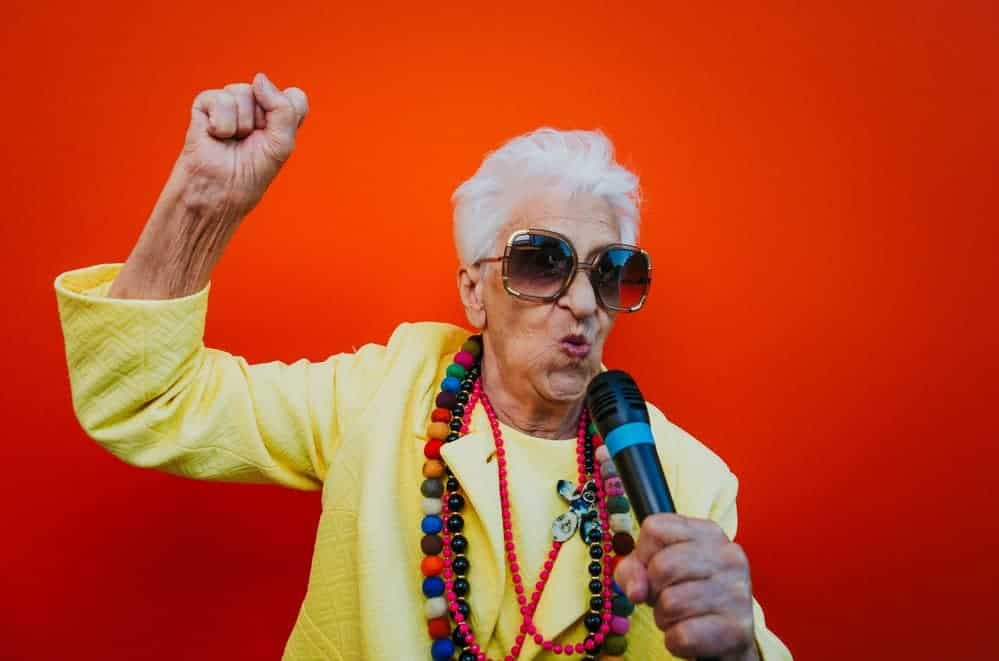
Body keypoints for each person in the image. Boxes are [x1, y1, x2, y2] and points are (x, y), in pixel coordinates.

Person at [55, 73, 792, 661]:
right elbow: (148, 398)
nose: (579, 301)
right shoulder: (384, 391)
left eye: (609, 271)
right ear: (473, 290)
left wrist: (739, 653)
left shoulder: (689, 482)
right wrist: (200, 204)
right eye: (542, 261)